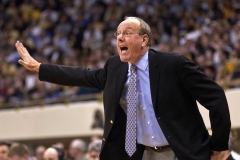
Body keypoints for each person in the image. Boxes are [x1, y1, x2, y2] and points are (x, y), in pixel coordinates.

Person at [15, 16, 231, 160]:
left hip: (180, 152)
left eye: (127, 33)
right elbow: (82, 75)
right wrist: (40, 68)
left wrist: (219, 144)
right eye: (118, 34)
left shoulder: (173, 64)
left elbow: (216, 97)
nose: (120, 37)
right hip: (140, 154)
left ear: (144, 39)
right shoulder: (115, 67)